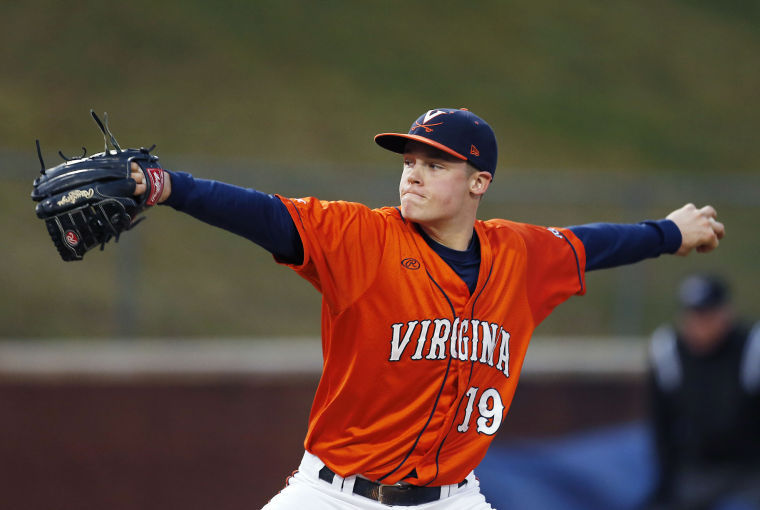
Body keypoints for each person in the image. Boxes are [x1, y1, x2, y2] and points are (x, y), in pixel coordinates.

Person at [131, 108, 725, 509]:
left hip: (451, 497)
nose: (412, 177)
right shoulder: (361, 238)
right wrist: (166, 187)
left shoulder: (520, 255)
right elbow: (264, 214)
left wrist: (671, 232)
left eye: (435, 164)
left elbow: (594, 244)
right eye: (408, 163)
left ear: (478, 183)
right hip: (334, 496)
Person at [647, 274, 760, 510]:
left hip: (750, 470)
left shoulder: (752, 348)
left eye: (707, 315)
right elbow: (661, 424)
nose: (699, 325)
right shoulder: (668, 351)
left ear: (726, 312)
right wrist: (666, 483)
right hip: (697, 471)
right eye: (692, 316)